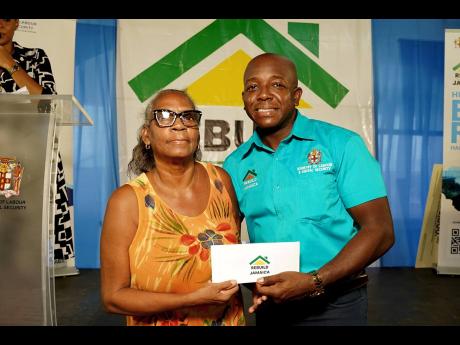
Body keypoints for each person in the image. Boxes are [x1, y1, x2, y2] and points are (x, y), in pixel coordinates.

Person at [223, 53, 395, 326]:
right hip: (272, 306)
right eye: (253, 87)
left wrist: (314, 281)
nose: (263, 95)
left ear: (296, 95)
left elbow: (381, 231)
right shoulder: (234, 164)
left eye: (277, 85)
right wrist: (253, 284)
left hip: (337, 305)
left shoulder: (342, 144)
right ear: (244, 98)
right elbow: (227, 238)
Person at [100, 89, 245, 326]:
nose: (179, 125)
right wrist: (192, 299)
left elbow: (236, 258)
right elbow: (113, 297)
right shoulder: (126, 201)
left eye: (188, 117)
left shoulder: (221, 181)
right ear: (146, 135)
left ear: (197, 131)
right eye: (165, 116)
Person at [0, 19, 73, 265]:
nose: (0, 24)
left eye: (6, 18)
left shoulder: (34, 57)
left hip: (33, 157)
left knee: (29, 245)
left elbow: (46, 103)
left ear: (17, 23)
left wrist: (9, 64)